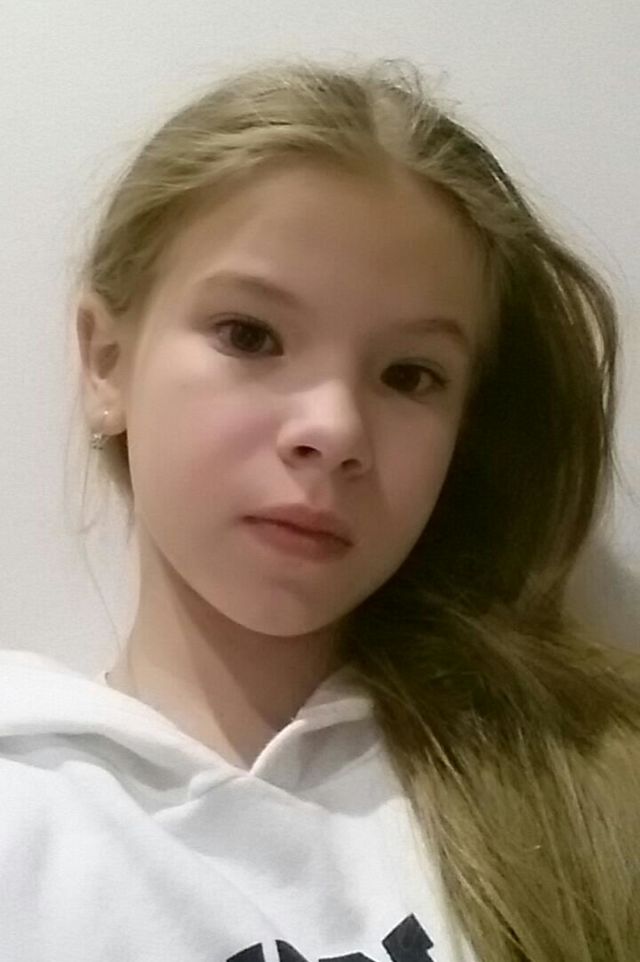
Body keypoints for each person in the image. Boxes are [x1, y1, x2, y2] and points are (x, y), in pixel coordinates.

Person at [1, 56, 638, 962]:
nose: (334, 430)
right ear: (107, 361)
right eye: (250, 335)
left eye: (409, 375)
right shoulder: (26, 803)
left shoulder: (593, 785)